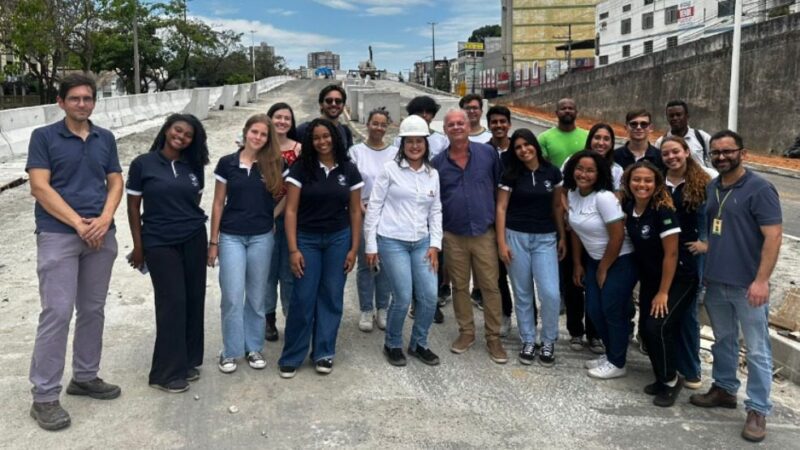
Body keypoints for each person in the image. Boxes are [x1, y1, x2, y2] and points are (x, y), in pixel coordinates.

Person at [26, 73, 123, 431]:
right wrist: (79, 224)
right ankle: (45, 396)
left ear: (94, 101)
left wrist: (104, 218)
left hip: (101, 234)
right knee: (58, 311)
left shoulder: (105, 138)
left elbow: (115, 180)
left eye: (88, 98)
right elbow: (39, 186)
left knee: (93, 309)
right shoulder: (44, 137)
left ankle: (85, 376)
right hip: (58, 234)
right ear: (61, 101)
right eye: (75, 99)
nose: (82, 104)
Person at [689, 130, 782, 443]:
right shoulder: (714, 186)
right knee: (723, 341)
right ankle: (725, 389)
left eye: (728, 151)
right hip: (716, 281)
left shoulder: (760, 189)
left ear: (743, 153)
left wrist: (761, 280)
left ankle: (757, 409)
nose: (721, 157)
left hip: (748, 285)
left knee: (757, 350)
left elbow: (773, 236)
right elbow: (720, 229)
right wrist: (706, 248)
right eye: (716, 152)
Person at [127, 114, 209, 393]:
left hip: (194, 237)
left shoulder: (194, 166)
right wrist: (139, 247)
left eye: (188, 135)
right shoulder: (143, 164)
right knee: (172, 302)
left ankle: (186, 361)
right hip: (159, 241)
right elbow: (133, 208)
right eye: (178, 130)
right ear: (167, 130)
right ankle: (164, 373)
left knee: (194, 299)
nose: (182, 137)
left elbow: (193, 201)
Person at [278, 119, 363, 378]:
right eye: (316, 138)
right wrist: (293, 250)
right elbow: (290, 211)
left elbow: (356, 212)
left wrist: (353, 248)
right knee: (303, 297)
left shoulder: (349, 170)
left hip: (339, 239)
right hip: (307, 239)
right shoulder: (301, 169)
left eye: (327, 136)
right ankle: (292, 355)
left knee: (331, 296)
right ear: (310, 142)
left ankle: (324, 352)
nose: (322, 141)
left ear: (335, 138)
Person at [207, 114, 285, 374]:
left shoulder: (274, 164)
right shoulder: (227, 163)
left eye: (263, 134)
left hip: (262, 237)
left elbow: (287, 197)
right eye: (254, 132)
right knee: (231, 294)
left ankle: (254, 347)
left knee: (256, 296)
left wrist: (271, 216)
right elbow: (218, 203)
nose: (258, 137)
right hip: (231, 236)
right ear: (246, 132)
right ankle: (230, 351)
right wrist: (213, 241)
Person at [364, 115, 443, 366]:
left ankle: (419, 343)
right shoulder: (390, 170)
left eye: (419, 141)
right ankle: (393, 343)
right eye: (410, 141)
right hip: (392, 241)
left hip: (422, 242)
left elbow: (436, 211)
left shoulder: (433, 174)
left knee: (430, 296)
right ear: (402, 144)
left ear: (426, 144)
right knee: (403, 296)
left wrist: (435, 245)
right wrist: (371, 245)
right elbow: (374, 207)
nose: (415, 146)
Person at [431, 109, 508, 364]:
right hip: (453, 235)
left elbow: (500, 191)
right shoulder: (438, 164)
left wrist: (500, 234)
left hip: (484, 233)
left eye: (460, 123)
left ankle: (493, 338)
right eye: (451, 124)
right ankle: (466, 333)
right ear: (445, 130)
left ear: (469, 125)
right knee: (459, 287)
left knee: (490, 286)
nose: (456, 127)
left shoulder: (487, 154)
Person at [621, 161, 698, 407]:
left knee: (658, 326)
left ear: (656, 185)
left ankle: (672, 380)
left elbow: (672, 255)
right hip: (651, 278)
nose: (641, 185)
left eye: (647, 181)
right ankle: (662, 377)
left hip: (678, 278)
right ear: (628, 182)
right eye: (636, 180)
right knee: (645, 328)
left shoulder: (663, 210)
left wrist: (663, 292)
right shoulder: (630, 206)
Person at [564, 150, 637, 379]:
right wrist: (577, 263)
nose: (583, 174)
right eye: (580, 168)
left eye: (590, 170)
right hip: (594, 260)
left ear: (599, 174)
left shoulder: (604, 197)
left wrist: (604, 268)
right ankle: (611, 353)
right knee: (595, 310)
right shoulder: (574, 194)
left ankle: (618, 362)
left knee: (612, 310)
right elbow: (575, 231)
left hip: (620, 260)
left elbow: (617, 237)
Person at [496, 128, 566, 366]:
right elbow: (501, 208)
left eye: (527, 145)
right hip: (516, 237)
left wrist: (562, 236)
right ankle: (527, 338)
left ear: (535, 145)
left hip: (545, 238)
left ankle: (548, 340)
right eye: (518, 147)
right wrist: (502, 243)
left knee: (550, 293)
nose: (524, 150)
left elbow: (557, 206)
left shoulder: (552, 172)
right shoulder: (510, 174)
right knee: (523, 293)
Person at [539, 98, 593, 352]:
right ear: (556, 112)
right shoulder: (546, 138)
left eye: (572, 108)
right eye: (563, 108)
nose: (567, 111)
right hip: (560, 211)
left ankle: (595, 332)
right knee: (569, 271)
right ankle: (575, 329)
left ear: (576, 111)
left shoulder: (587, 137)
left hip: (591, 215)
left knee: (590, 277)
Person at [661, 136, 714, 390]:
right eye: (666, 154)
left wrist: (706, 243)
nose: (671, 157)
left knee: (688, 314)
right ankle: (668, 361)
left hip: (691, 255)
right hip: (663, 254)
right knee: (666, 310)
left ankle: (691, 369)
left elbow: (712, 217)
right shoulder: (660, 181)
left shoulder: (703, 182)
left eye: (675, 152)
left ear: (686, 152)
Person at [349, 108, 396, 332]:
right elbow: (351, 183)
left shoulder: (395, 153)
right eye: (374, 123)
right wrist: (360, 206)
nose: (378, 128)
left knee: (385, 264)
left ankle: (383, 308)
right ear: (367, 124)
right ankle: (366, 309)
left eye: (382, 124)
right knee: (366, 264)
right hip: (362, 211)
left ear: (388, 126)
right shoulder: (356, 152)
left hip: (388, 214)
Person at [264, 102, 302, 341]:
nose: (282, 122)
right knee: (267, 275)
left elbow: (297, 187)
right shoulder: (258, 145)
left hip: (289, 217)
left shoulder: (299, 149)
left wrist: (275, 215)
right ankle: (269, 319)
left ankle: (291, 317)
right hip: (261, 219)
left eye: (287, 118)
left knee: (289, 273)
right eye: (277, 117)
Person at [484, 105, 516, 337]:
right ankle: (505, 315)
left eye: (502, 122)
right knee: (497, 274)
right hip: (492, 220)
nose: (498, 126)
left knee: (523, 275)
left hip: (519, 218)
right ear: (489, 125)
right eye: (494, 122)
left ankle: (529, 322)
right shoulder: (482, 151)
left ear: (509, 124)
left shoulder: (521, 148)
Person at [654, 100, 712, 167]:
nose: (675, 118)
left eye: (678, 115)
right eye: (671, 116)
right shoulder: (660, 142)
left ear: (687, 116)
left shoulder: (702, 137)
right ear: (667, 118)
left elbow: (712, 160)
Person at [296, 84, 353, 149]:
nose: (333, 104)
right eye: (329, 101)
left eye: (338, 101)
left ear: (343, 105)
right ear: (321, 104)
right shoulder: (303, 130)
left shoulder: (346, 132)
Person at [585, 123, 624, 191]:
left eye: (606, 139)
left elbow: (617, 197)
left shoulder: (617, 170)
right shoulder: (573, 161)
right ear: (590, 140)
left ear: (612, 143)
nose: (601, 143)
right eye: (597, 138)